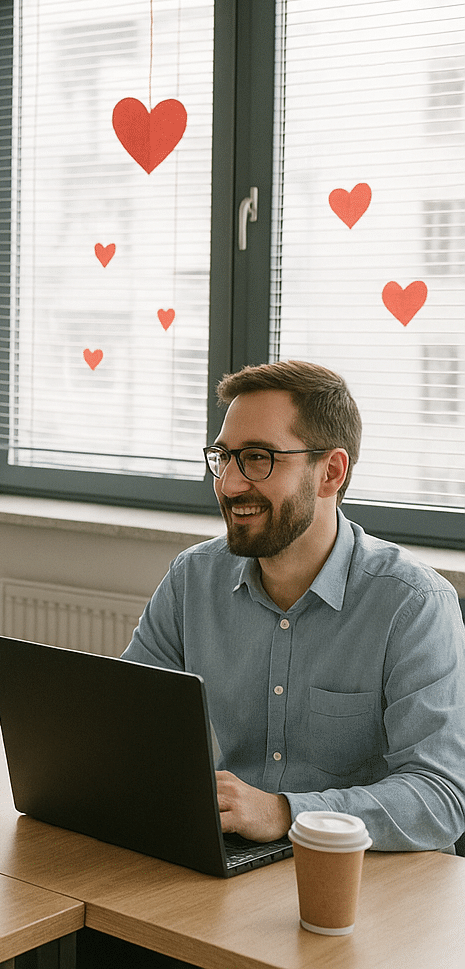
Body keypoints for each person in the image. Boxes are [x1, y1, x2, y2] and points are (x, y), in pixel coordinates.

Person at [123, 360, 465, 851]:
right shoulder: (192, 579)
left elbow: (441, 799)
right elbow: (129, 726)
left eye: (258, 458)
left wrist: (285, 812)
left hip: (372, 878)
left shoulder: (412, 604)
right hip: (234, 856)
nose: (229, 484)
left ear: (330, 472)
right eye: (224, 457)